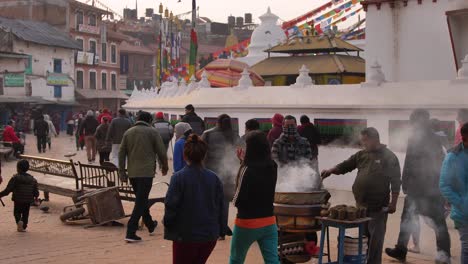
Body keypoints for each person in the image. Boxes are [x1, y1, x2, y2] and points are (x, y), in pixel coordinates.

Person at [321, 127, 401, 264]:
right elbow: (346, 165)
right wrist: (330, 171)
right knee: (363, 241)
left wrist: (393, 203)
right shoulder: (361, 155)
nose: (363, 143)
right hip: (361, 206)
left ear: (375, 139)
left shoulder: (389, 157)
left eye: (365, 140)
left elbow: (395, 180)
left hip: (378, 207)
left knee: (375, 242)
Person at [386, 109, 451, 264]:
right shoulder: (415, 138)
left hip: (431, 189)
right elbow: (408, 162)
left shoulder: (436, 140)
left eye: (413, 121)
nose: (412, 124)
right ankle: (401, 250)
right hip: (417, 188)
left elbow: (443, 164)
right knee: (407, 219)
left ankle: (444, 255)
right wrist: (405, 183)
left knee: (438, 222)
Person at [164, 134, 224, 264]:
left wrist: (168, 224)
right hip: (209, 236)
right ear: (204, 156)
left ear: (185, 156)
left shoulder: (178, 178)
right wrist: (219, 228)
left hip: (185, 236)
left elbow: (171, 206)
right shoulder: (214, 178)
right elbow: (220, 206)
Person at [119, 111, 169, 243]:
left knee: (141, 199)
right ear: (149, 121)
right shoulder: (152, 132)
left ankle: (150, 224)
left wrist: (122, 173)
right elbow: (162, 152)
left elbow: (121, 153)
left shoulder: (128, 132)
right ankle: (131, 231)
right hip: (146, 173)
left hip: (132, 173)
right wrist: (164, 166)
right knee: (141, 201)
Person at [230, 131, 279, 264]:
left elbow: (237, 199)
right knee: (273, 260)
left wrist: (242, 165)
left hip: (247, 222)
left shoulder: (247, 169)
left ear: (250, 149)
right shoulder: (273, 166)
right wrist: (243, 162)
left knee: (236, 259)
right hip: (269, 222)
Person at [202, 114, 240, 240]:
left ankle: (214, 229)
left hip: (210, 172)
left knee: (211, 202)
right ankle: (222, 230)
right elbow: (240, 153)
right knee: (224, 204)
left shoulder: (207, 134)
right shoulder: (234, 135)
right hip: (228, 175)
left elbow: (202, 154)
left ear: (216, 122)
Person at [440, 122, 468, 264]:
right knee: (467, 247)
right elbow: (445, 185)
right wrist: (462, 203)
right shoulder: (453, 157)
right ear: (465, 137)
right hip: (464, 213)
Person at [0, 160, 39, 232]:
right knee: (25, 213)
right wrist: (36, 197)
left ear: (18, 168)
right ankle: (24, 226)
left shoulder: (15, 178)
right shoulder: (33, 179)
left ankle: (18, 222)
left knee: (17, 212)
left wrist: (1, 194)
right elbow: (36, 192)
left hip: (18, 199)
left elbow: (8, 190)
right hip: (28, 200)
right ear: (27, 168)